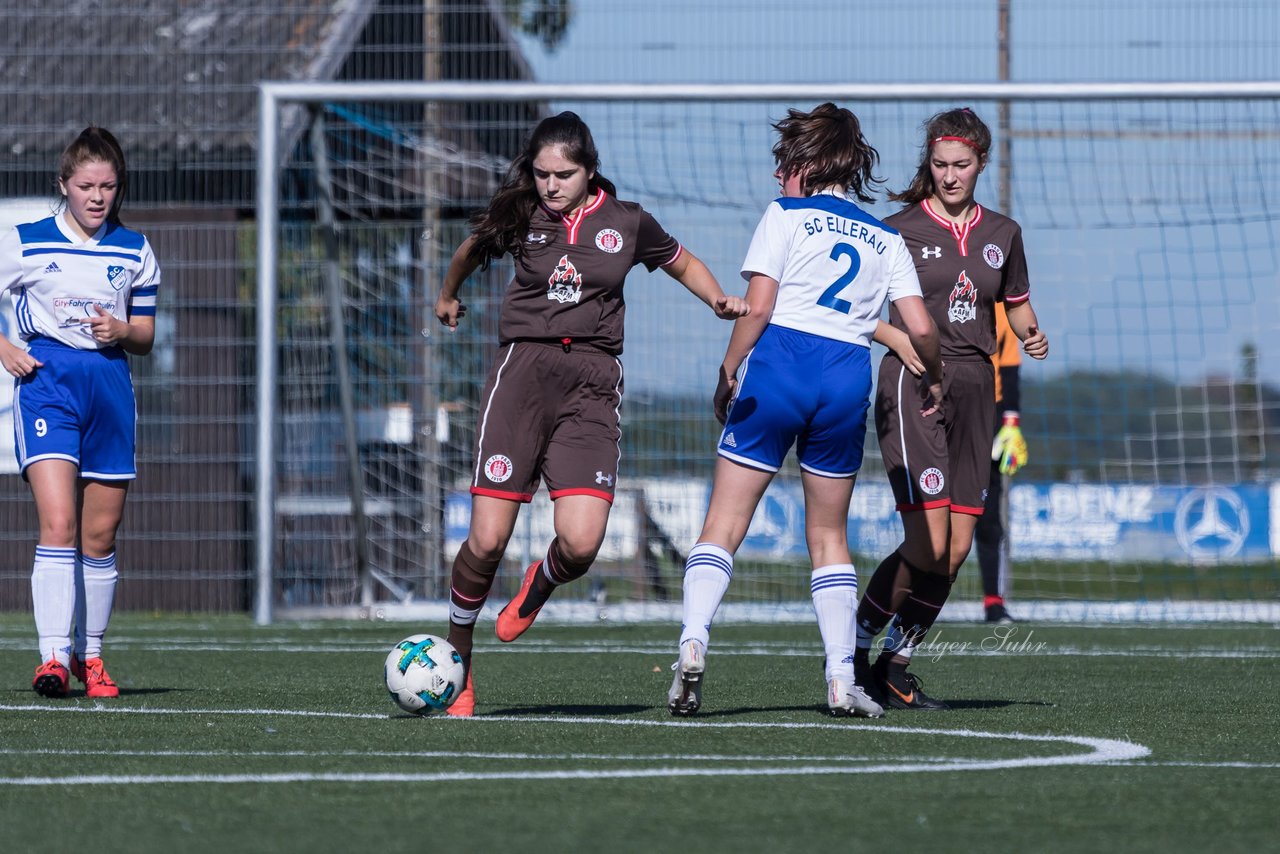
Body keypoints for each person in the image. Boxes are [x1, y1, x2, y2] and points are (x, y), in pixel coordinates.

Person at [433, 111, 748, 717]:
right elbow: (471, 250)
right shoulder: (520, 213)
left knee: (580, 544)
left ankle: (540, 584)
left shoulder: (627, 222)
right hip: (522, 376)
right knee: (487, 538)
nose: (551, 185)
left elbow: (681, 261)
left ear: (590, 170)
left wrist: (716, 299)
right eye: (542, 174)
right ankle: (459, 664)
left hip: (593, 385)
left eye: (564, 175)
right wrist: (448, 294)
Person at [666, 102, 943, 719]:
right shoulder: (888, 237)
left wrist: (728, 368)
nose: (777, 177)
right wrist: (936, 373)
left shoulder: (786, 215)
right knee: (827, 535)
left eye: (784, 163)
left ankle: (692, 642)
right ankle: (843, 678)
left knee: (724, 524)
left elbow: (759, 309)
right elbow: (919, 327)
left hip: (781, 366)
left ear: (811, 163)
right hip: (845, 379)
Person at [853, 108, 1048, 710]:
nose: (949, 175)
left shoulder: (1004, 234)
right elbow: (859, 311)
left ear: (981, 164)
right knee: (929, 541)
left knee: (957, 547)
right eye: (939, 165)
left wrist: (1033, 332)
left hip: (975, 389)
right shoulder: (896, 231)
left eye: (961, 165)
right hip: (914, 383)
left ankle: (895, 663)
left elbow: (1014, 305)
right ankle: (851, 651)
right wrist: (901, 344)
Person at [0, 127, 159, 698]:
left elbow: (144, 335)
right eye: (86, 185)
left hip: (110, 385)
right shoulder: (26, 242)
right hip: (49, 384)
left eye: (108, 186)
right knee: (59, 524)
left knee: (99, 534)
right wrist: (6, 347)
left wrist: (122, 329)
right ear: (63, 185)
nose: (97, 196)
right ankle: (51, 658)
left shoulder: (134, 249)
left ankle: (90, 658)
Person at [975, 303, 1026, 624]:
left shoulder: (1002, 310)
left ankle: (994, 602)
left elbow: (1009, 369)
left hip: (989, 415)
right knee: (937, 513)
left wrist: (1011, 423)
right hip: (946, 408)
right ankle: (916, 598)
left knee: (990, 514)